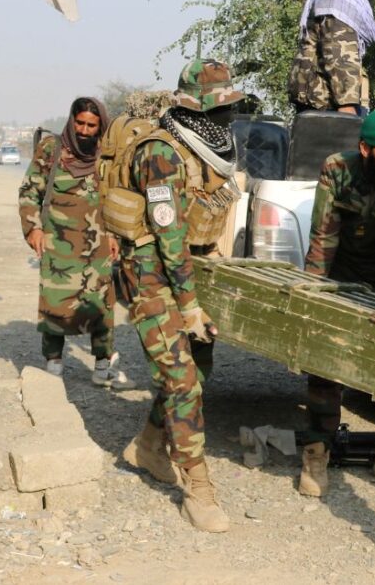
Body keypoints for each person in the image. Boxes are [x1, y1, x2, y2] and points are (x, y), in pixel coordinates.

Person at [109, 59, 246, 531]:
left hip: (189, 270)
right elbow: (168, 236)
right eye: (221, 108)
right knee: (183, 380)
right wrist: (187, 306)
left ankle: (148, 444)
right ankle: (199, 488)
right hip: (151, 276)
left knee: (198, 366)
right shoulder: (161, 153)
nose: (229, 118)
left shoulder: (206, 149)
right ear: (197, 109)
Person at [297, 108, 375, 495]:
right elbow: (323, 237)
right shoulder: (337, 170)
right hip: (344, 275)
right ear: (365, 149)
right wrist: (316, 297)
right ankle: (317, 452)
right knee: (326, 361)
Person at [18, 97, 132, 389]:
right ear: (71, 121)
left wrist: (115, 235)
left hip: (98, 244)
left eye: (91, 125)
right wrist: (34, 230)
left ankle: (102, 366)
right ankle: (53, 362)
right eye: (79, 123)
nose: (84, 130)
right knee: (55, 300)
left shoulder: (107, 155)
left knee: (102, 303)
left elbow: (117, 198)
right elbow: (30, 191)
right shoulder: (52, 149)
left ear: (100, 126)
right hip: (58, 241)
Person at [288, 0, 375, 115]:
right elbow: (340, 57)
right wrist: (347, 107)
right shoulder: (340, 1)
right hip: (325, 102)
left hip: (320, 98)